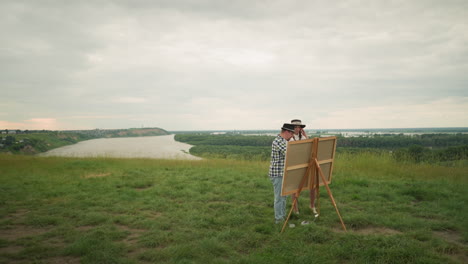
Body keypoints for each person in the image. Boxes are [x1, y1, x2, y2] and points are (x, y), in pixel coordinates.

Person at [289, 119, 318, 216]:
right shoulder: (290, 137)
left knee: (312, 185)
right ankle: (295, 210)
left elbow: (310, 146)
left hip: (306, 164)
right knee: (294, 188)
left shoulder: (303, 136)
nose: (297, 129)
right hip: (295, 165)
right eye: (295, 127)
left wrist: (306, 136)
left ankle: (312, 206)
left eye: (299, 127)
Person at [269, 123, 295, 224]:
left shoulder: (284, 141)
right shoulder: (278, 141)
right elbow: (290, 153)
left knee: (284, 196)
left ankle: (283, 216)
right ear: (287, 132)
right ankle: (279, 219)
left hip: (283, 173)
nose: (292, 136)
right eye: (292, 133)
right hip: (278, 174)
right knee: (279, 198)